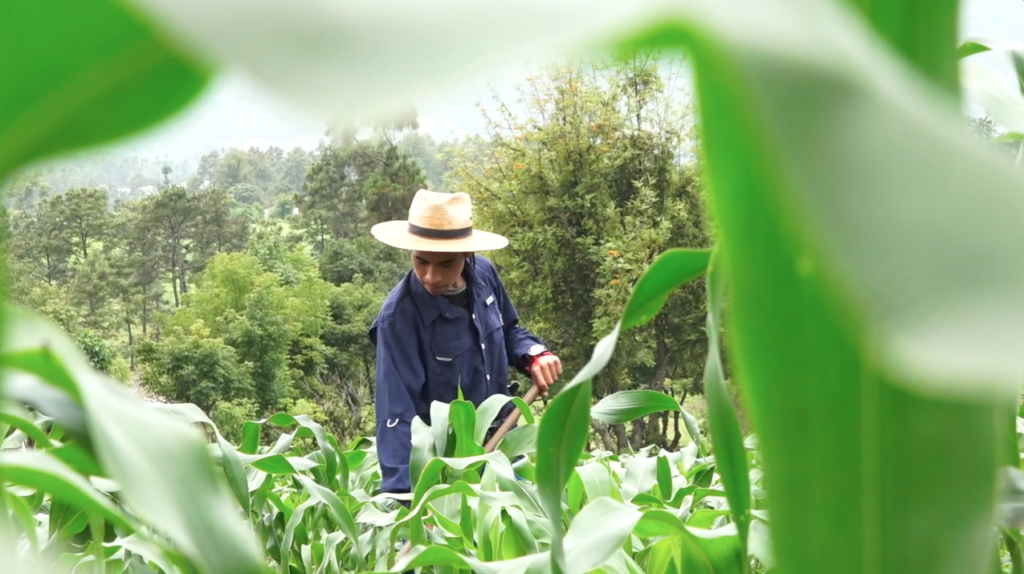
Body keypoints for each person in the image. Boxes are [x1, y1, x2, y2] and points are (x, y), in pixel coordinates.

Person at [368, 188, 563, 496]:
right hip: (445, 477)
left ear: (466, 254)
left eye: (445, 264)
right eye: (421, 262)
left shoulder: (484, 275)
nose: (431, 276)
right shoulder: (398, 319)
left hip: (504, 452)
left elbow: (510, 330)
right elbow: (396, 417)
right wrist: (410, 502)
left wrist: (534, 355)